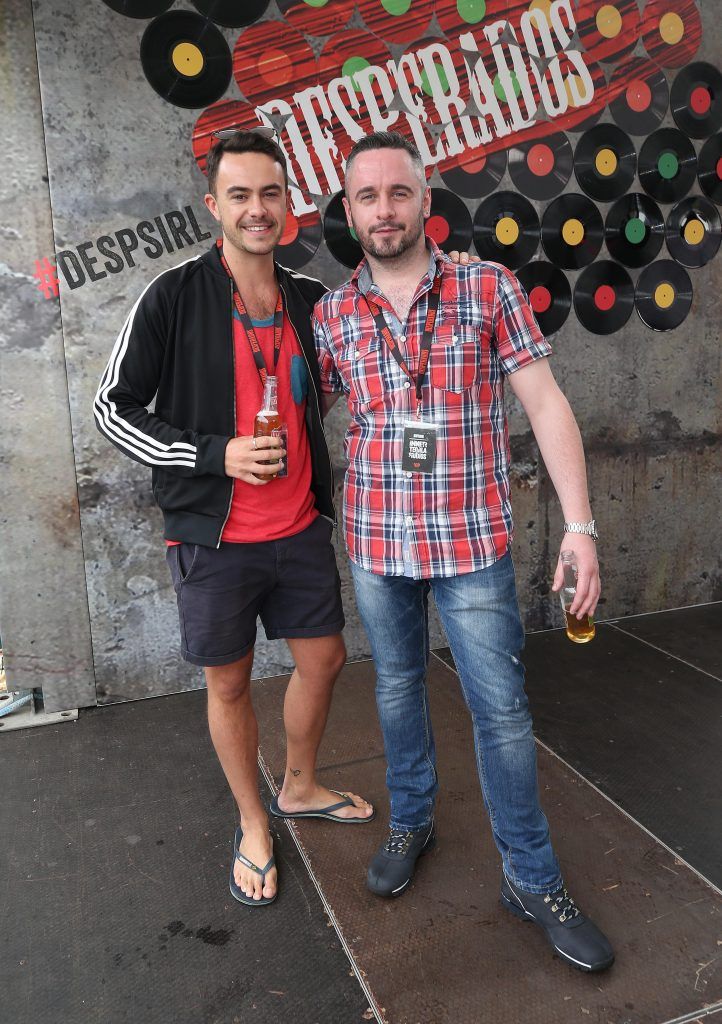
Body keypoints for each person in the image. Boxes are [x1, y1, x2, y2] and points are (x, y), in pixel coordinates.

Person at [313, 131, 614, 972]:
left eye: (398, 193)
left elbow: (547, 406)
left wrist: (581, 528)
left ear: (425, 200)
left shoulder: (488, 287)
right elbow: (302, 420)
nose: (384, 209)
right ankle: (412, 819)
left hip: (470, 537)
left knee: (503, 712)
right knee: (401, 687)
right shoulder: (335, 315)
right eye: (367, 197)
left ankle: (531, 877)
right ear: (349, 212)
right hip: (376, 540)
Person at [94, 128, 375, 908]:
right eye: (242, 195)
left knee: (323, 662)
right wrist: (213, 455)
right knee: (229, 685)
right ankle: (253, 821)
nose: (258, 210)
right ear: (216, 205)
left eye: (272, 194)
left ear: (290, 206)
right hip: (212, 537)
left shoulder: (310, 300)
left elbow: (348, 377)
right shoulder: (174, 294)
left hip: (298, 529)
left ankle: (300, 785)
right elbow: (110, 411)